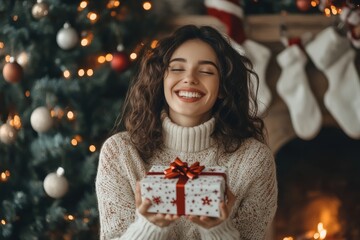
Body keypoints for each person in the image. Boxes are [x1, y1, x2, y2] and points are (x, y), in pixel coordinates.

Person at [95, 24, 278, 240]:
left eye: (206, 71)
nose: (190, 78)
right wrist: (148, 229)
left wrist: (219, 230)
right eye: (177, 68)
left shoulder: (253, 160)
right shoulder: (120, 152)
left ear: (222, 87)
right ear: (161, 78)